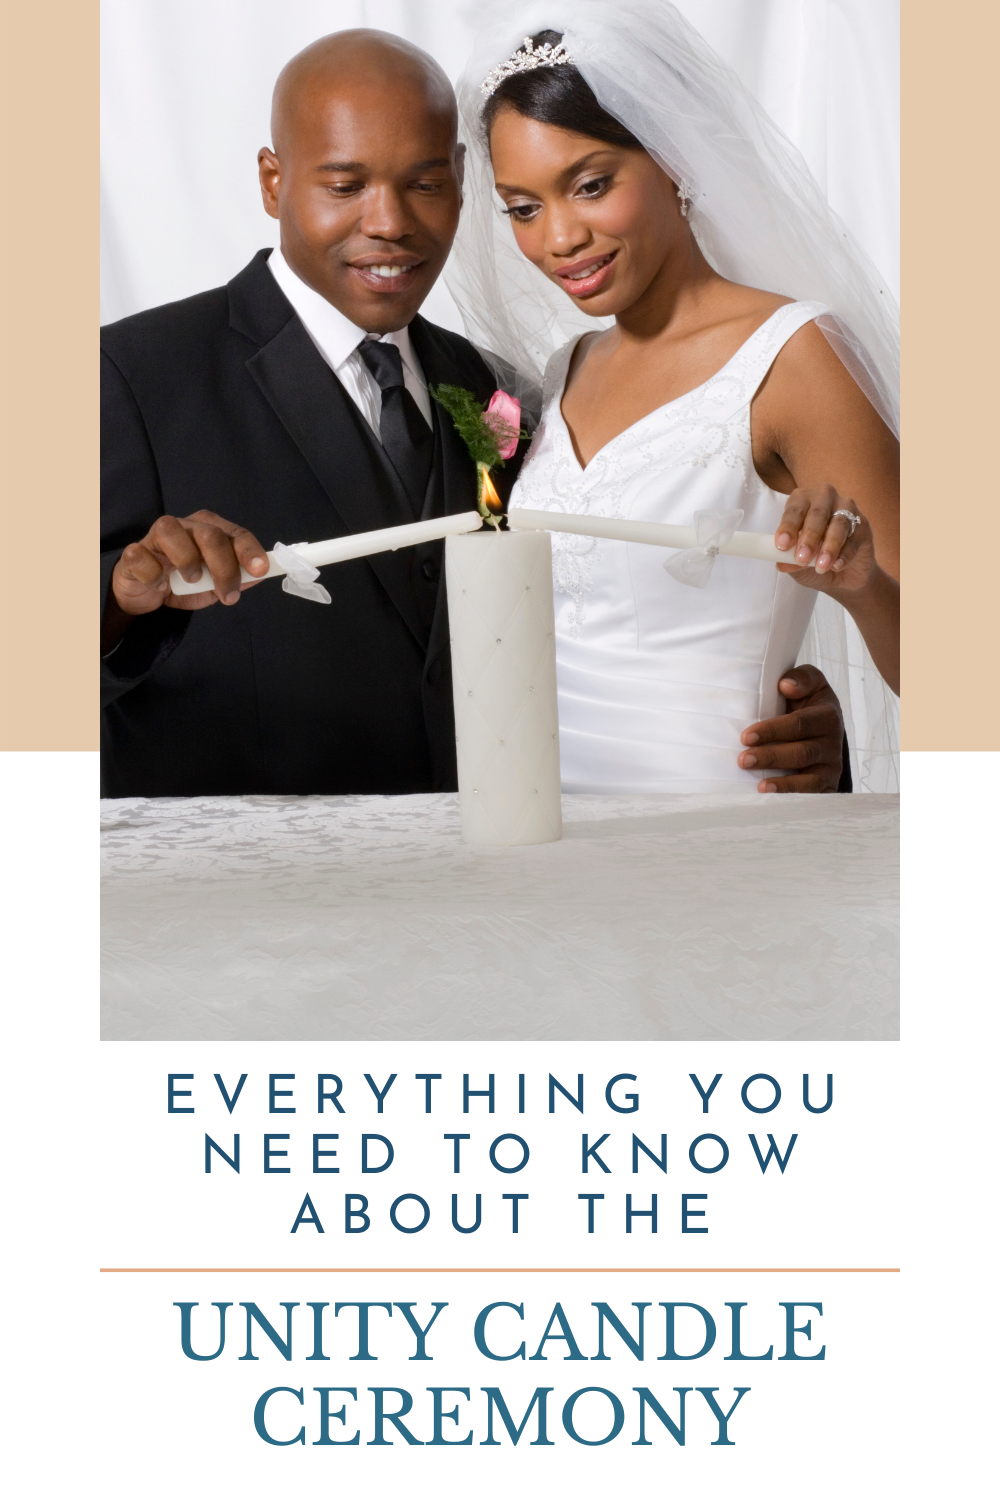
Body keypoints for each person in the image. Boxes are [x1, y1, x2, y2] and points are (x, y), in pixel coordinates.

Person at [101, 26, 851, 798]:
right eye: (345, 185)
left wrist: (795, 725)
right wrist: (120, 599)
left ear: (462, 182)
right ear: (272, 181)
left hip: (502, 873)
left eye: (424, 183)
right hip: (245, 892)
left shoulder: (493, 393)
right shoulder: (129, 374)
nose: (389, 221)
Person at [449, 6, 900, 794]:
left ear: (674, 162)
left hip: (711, 839)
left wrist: (859, 587)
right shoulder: (559, 376)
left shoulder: (795, 357)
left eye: (589, 186)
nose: (558, 238)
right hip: (536, 835)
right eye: (523, 208)